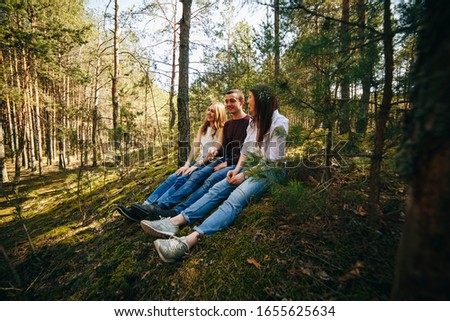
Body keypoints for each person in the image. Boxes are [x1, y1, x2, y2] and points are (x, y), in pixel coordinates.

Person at [141, 83, 289, 263]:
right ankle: (174, 222)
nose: (249, 102)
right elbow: (246, 150)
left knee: (235, 198)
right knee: (217, 188)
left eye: (250, 98)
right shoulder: (254, 122)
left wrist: (244, 174)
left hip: (269, 171)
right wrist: (235, 170)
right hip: (249, 166)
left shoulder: (279, 123)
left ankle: (188, 241)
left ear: (260, 101)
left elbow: (272, 160)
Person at [129, 89, 251, 219]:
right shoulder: (228, 124)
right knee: (192, 176)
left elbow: (249, 151)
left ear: (242, 102)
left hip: (235, 162)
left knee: (205, 180)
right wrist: (215, 151)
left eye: (232, 100)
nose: (229, 104)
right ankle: (160, 206)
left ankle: (171, 209)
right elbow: (223, 148)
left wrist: (226, 162)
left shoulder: (250, 122)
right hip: (222, 159)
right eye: (226, 101)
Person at [115, 101, 227, 221]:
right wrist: (187, 164)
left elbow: (214, 153)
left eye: (213, 111)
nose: (209, 113)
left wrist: (196, 165)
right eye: (208, 109)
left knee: (181, 179)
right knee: (173, 177)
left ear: (219, 114)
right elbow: (195, 147)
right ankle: (145, 205)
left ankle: (155, 207)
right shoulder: (203, 128)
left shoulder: (222, 128)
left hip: (209, 162)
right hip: (198, 161)